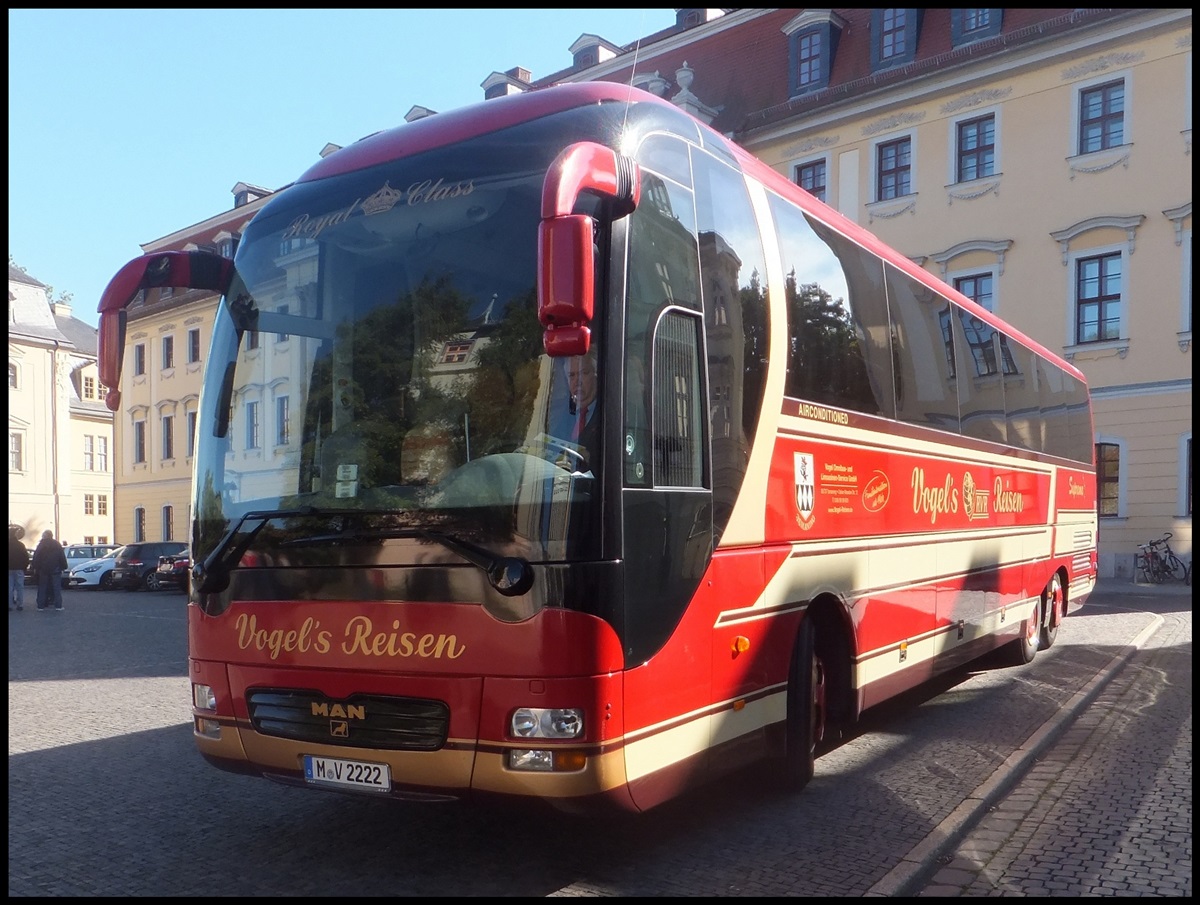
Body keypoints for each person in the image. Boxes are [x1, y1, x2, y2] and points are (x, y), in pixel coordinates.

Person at [30, 530, 68, 612]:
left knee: (42, 587)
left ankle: (40, 606)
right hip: (56, 569)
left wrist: (35, 567)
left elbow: (36, 557)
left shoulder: (41, 544)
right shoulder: (57, 544)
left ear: (44, 536)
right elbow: (61, 556)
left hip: (43, 569)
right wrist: (63, 566)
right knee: (57, 588)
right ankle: (58, 606)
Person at [8, 527, 28, 612]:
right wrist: (24, 567)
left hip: (9, 569)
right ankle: (20, 605)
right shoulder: (20, 545)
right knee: (20, 587)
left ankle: (9, 605)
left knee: (10, 587)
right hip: (19, 568)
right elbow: (25, 557)